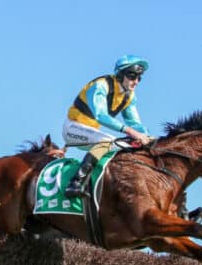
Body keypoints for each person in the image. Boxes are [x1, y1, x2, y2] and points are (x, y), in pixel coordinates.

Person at [62, 55, 154, 198]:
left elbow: (134, 123)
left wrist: (148, 136)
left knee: (128, 144)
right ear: (121, 74)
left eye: (139, 78)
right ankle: (75, 183)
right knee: (108, 142)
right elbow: (100, 115)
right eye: (132, 76)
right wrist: (130, 131)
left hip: (91, 131)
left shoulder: (129, 96)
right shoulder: (101, 86)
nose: (135, 81)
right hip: (73, 128)